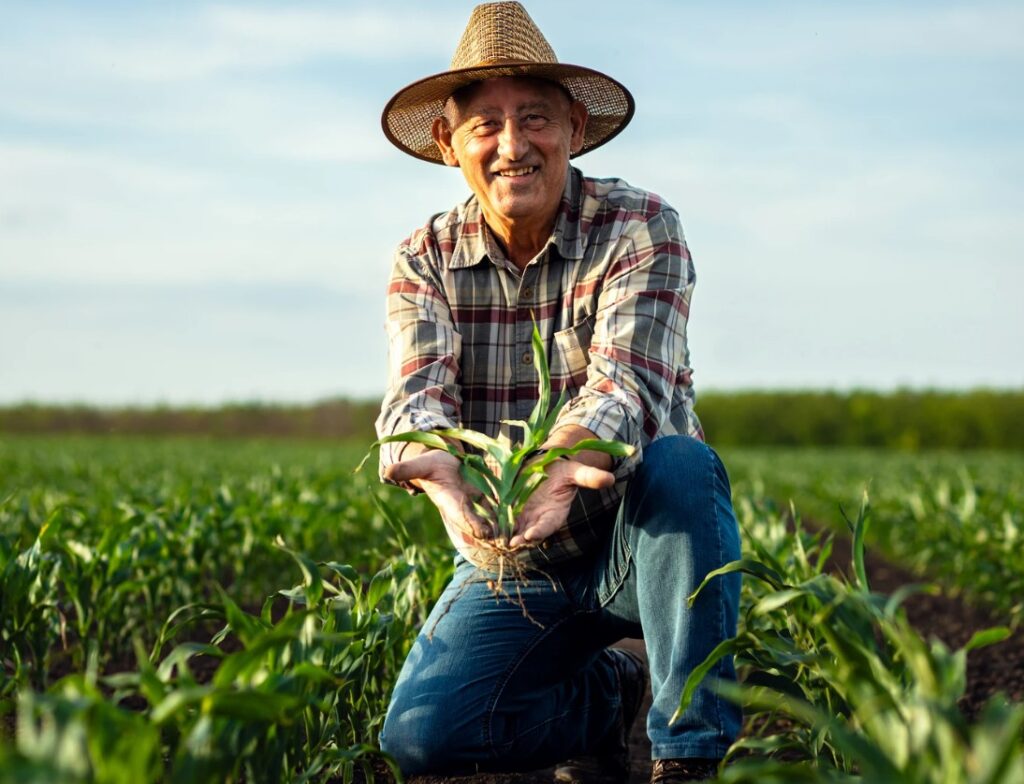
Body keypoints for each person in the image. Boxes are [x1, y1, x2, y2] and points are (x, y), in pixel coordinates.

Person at [374, 3, 741, 782]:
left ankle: (688, 752)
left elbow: (629, 382)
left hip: (637, 544)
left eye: (535, 118)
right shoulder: (424, 258)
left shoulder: (641, 227)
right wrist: (434, 468)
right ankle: (616, 691)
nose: (514, 146)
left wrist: (565, 468)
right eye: (486, 126)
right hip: (514, 562)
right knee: (421, 737)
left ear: (574, 128)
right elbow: (416, 393)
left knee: (682, 466)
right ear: (449, 144)